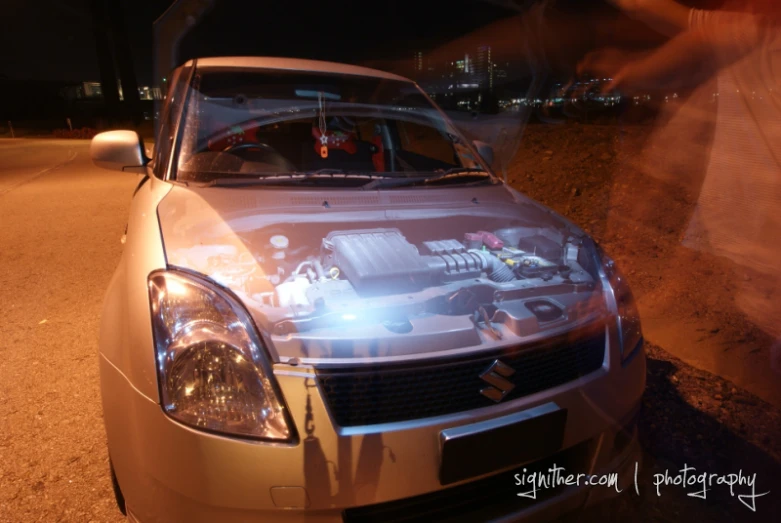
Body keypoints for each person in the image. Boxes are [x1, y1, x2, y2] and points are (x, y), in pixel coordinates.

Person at [580, 0, 781, 374]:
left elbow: (693, 43)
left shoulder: (754, 27)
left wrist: (633, 71)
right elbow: (688, 20)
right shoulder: (749, 24)